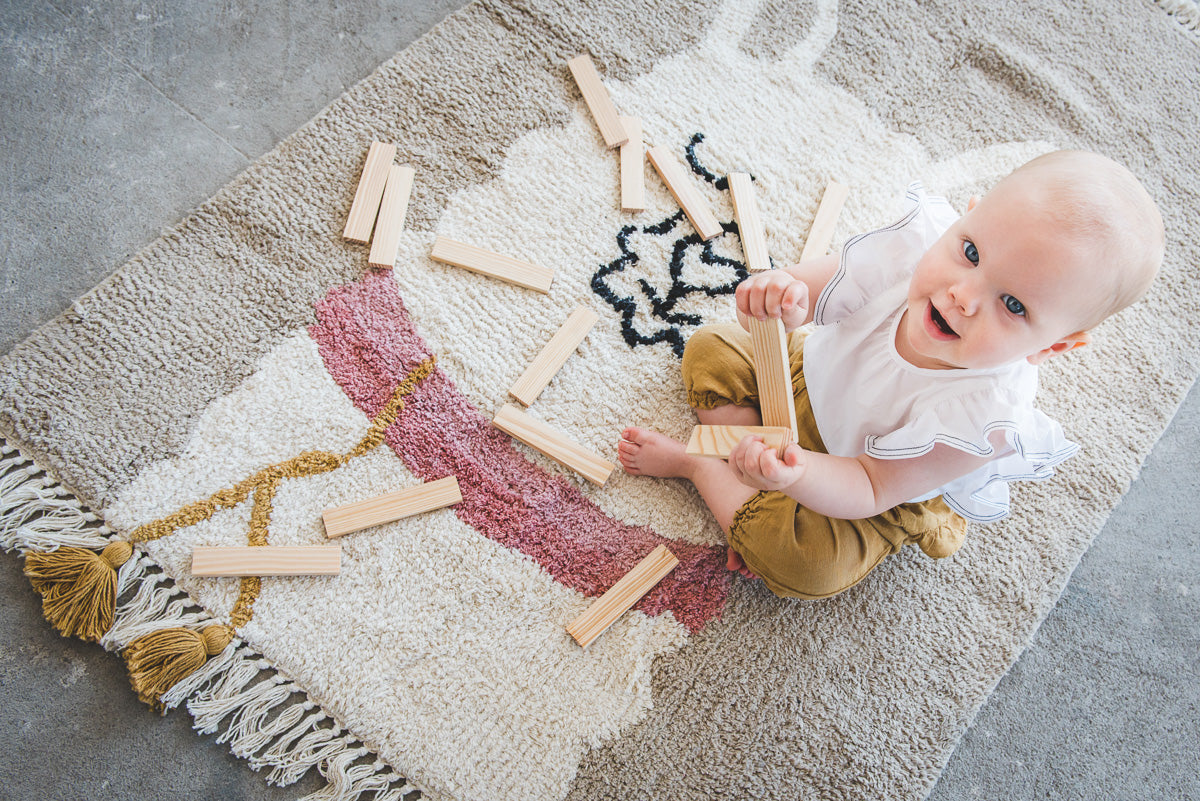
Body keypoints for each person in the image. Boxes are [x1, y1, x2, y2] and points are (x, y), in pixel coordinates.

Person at [618, 150, 1164, 599]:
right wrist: (779, 299)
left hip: (873, 478)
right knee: (711, 350)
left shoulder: (980, 420)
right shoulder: (911, 250)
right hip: (807, 381)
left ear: (1053, 346)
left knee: (807, 566)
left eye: (1013, 304)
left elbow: (869, 486)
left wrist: (795, 476)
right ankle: (748, 493)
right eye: (971, 252)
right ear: (965, 218)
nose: (963, 295)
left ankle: (702, 467)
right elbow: (801, 299)